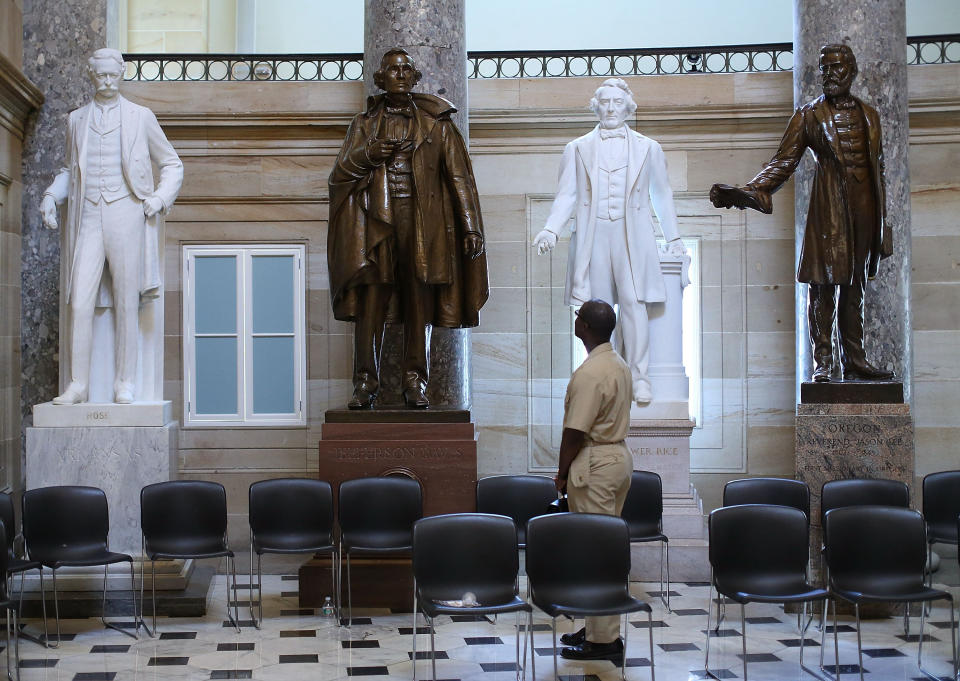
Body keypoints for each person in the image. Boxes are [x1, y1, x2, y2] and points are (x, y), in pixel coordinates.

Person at [710, 44, 893, 383]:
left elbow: (878, 168)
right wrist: (755, 189)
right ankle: (823, 360)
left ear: (851, 71)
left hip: (866, 209)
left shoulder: (870, 114)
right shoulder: (809, 115)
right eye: (824, 68)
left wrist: (885, 224)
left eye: (836, 68)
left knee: (855, 289)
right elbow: (784, 160)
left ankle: (855, 359)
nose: (829, 75)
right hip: (829, 208)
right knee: (822, 285)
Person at [328, 48, 489, 409]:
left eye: (406, 69)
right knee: (372, 302)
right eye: (392, 69)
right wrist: (369, 154)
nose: (399, 74)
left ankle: (415, 381)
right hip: (375, 222)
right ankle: (365, 384)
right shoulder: (364, 125)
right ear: (380, 78)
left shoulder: (438, 124)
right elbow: (338, 176)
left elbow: (459, 178)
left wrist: (471, 228)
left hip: (423, 221)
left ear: (415, 78)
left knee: (419, 303)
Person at [40, 48, 183, 405]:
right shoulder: (76, 120)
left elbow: (172, 164)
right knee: (80, 302)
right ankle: (78, 384)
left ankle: (125, 382)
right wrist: (51, 196)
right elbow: (69, 171)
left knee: (126, 300)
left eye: (113, 76)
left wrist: (159, 198)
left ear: (121, 74)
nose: (107, 82)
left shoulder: (141, 116)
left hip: (126, 211)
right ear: (92, 75)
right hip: (88, 216)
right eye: (101, 76)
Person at [533, 78, 684, 404]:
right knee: (597, 308)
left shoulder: (649, 148)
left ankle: (639, 377)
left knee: (633, 302)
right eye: (605, 102)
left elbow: (662, 194)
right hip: (594, 234)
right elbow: (567, 195)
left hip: (633, 235)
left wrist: (673, 236)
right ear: (596, 106)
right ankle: (601, 375)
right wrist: (551, 229)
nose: (611, 108)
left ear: (628, 108)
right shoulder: (577, 148)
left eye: (617, 102)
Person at [555, 298, 634, 661]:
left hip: (595, 463)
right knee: (606, 549)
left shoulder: (590, 373)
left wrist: (560, 472)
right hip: (617, 459)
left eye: (578, 317)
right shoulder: (616, 364)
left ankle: (603, 641)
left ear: (584, 327)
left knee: (597, 553)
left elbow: (574, 431)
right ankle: (599, 627)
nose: (576, 321)